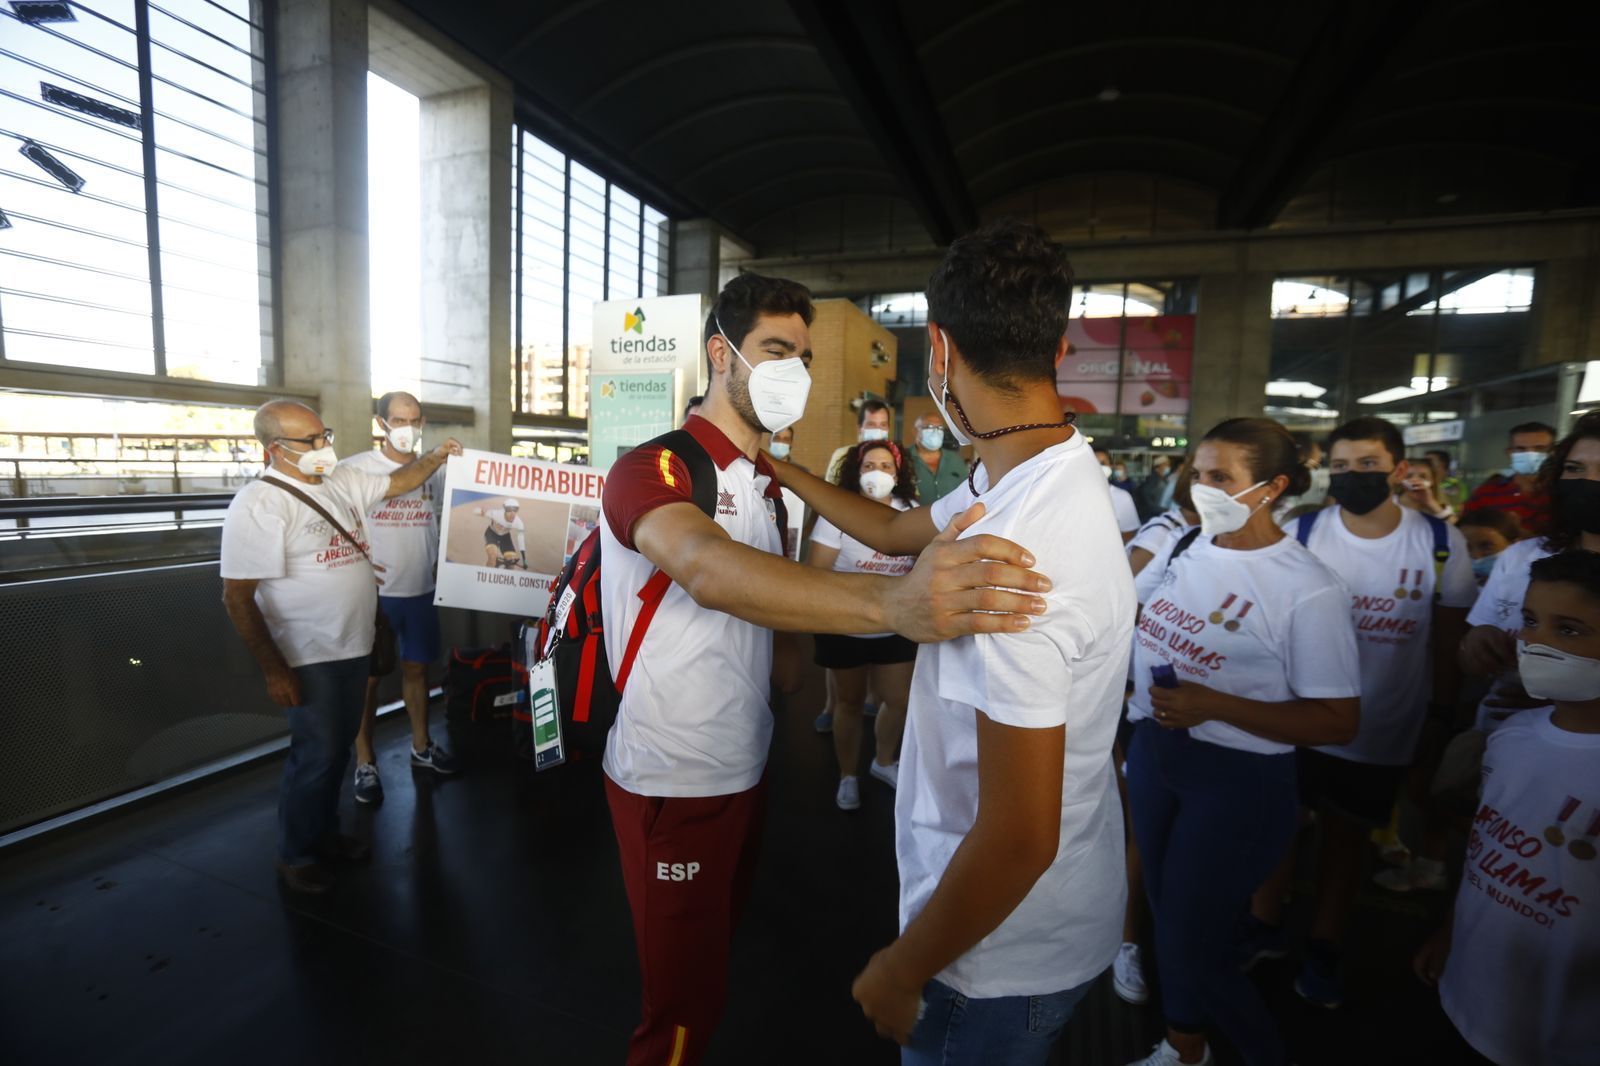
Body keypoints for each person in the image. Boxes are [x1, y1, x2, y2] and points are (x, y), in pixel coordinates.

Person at [597, 271, 1050, 1066]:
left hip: (744, 760)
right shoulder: (655, 468)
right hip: (672, 773)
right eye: (776, 350)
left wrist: (785, 651)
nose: (794, 373)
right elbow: (703, 565)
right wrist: (893, 606)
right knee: (679, 1006)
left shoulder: (765, 484)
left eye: (803, 358)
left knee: (713, 960)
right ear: (721, 354)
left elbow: (819, 580)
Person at [778, 221, 1132, 1065]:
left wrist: (903, 969)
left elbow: (1019, 837)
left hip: (991, 958)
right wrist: (777, 468)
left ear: (938, 348)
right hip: (1053, 912)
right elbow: (894, 530)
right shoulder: (1028, 471)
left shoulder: (1016, 559)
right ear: (1058, 347)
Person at [1123, 416, 1361, 1066]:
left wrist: (1213, 703)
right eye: (1198, 474)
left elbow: (1338, 720)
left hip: (1236, 780)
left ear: (1272, 487)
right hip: (1157, 752)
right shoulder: (1188, 545)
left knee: (1193, 941)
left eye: (1221, 478)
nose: (1203, 489)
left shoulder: (1306, 587)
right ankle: (1186, 1045)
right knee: (1169, 919)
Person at [1244, 417, 1475, 1010]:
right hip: (1294, 711)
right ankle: (1264, 925)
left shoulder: (1439, 543)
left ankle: (1324, 945)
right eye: (1341, 466)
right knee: (1278, 825)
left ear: (1400, 469)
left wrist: (1441, 715)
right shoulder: (1304, 529)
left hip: (1381, 722)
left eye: (1368, 464)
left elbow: (1447, 639)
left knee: (1347, 840)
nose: (1353, 476)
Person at [219, 400, 462, 894]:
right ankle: (297, 854)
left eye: (323, 435)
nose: (322, 446)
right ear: (275, 449)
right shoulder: (260, 504)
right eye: (308, 441)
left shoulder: (340, 481)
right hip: (308, 653)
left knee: (335, 752)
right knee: (316, 754)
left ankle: (323, 833)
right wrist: (274, 669)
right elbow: (237, 597)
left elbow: (398, 482)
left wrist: (435, 457)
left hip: (353, 642)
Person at [1414, 550, 1600, 1066]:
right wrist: (1451, 932)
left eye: (1569, 630)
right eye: (1530, 621)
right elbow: (1486, 858)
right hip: (1466, 995)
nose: (1535, 642)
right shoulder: (1512, 736)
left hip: (1560, 1038)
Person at [341, 391, 457, 807]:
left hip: (421, 589)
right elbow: (334, 523)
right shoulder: (356, 469)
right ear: (382, 423)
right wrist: (355, 564)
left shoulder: (436, 470)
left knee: (417, 670)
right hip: (376, 596)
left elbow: (454, 514)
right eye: (398, 420)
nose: (407, 428)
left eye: (414, 420)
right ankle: (365, 762)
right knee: (368, 680)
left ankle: (421, 746)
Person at [1460, 414, 1600, 739]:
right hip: (1498, 739)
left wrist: (1559, 696)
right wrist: (1476, 644)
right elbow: (1469, 659)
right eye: (1574, 469)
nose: (1588, 482)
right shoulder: (1521, 557)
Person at [808, 440, 919, 809]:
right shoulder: (838, 513)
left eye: (886, 466)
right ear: (855, 472)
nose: (877, 473)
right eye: (869, 465)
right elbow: (817, 573)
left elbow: (922, 564)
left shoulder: (911, 512)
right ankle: (847, 775)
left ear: (898, 474)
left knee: (899, 700)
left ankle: (883, 761)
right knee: (850, 702)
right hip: (846, 624)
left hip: (895, 624)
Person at [1461, 422, 1556, 528]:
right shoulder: (1486, 492)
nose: (1530, 454)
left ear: (1553, 452)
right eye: (1521, 449)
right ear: (1509, 453)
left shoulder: (1562, 492)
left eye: (1539, 448)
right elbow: (1465, 530)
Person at [826, 398, 893, 484]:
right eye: (871, 424)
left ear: (888, 428)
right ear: (860, 428)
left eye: (883, 425)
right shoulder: (842, 455)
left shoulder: (896, 457)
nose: (878, 430)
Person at [909, 410, 967, 504]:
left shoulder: (955, 460)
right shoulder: (904, 458)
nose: (936, 432)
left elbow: (966, 491)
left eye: (939, 428)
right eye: (930, 427)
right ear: (915, 431)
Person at [1455, 509, 1523, 587]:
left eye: (1487, 546)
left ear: (1515, 545)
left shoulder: (1531, 587)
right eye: (1466, 548)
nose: (1476, 557)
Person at [1096, 447, 1142, 544]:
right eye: (1094, 463)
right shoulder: (1073, 496)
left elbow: (1128, 535)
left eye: (1103, 463)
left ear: (1110, 466)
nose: (1098, 467)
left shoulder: (1122, 497)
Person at [474, 499, 525, 568]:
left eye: (515, 510)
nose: (512, 514)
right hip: (492, 534)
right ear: (504, 509)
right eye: (509, 510)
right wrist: (480, 512)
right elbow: (479, 512)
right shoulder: (496, 514)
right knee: (492, 558)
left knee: (511, 565)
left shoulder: (518, 522)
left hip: (505, 538)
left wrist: (524, 559)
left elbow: (521, 539)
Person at [1425, 448, 1468, 513]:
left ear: (1442, 463)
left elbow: (1460, 507)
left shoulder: (1451, 483)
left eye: (1429, 460)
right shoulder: (1428, 482)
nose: (1425, 463)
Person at [1137, 454, 1175, 521]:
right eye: (1166, 465)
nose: (1168, 467)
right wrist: (1165, 510)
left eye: (1169, 465)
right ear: (1158, 467)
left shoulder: (1163, 480)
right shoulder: (1152, 481)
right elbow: (1149, 504)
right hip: (1150, 518)